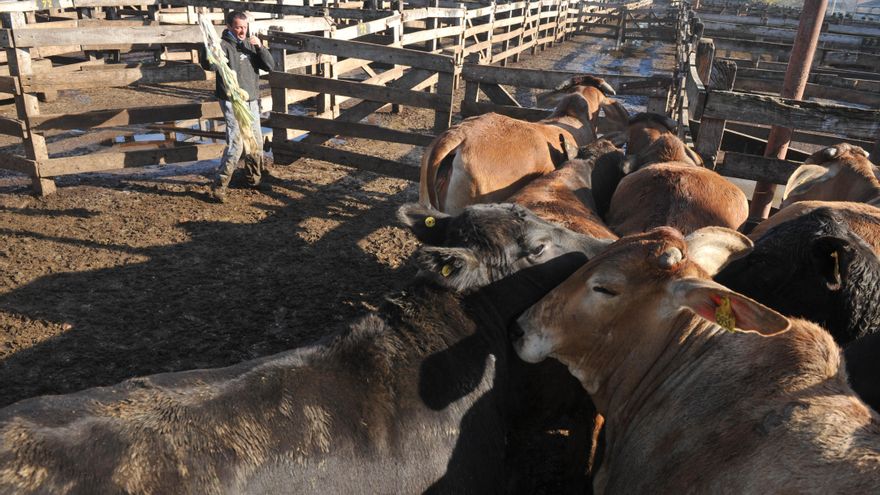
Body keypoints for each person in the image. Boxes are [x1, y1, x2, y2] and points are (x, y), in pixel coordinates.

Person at [210, 10, 276, 203]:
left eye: (244, 27)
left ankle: (253, 179)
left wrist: (261, 48)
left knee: (255, 140)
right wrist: (209, 51)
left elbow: (270, 66)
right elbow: (210, 65)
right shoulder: (222, 46)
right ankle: (219, 186)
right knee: (236, 144)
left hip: (252, 99)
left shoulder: (250, 44)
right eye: (238, 27)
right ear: (229, 27)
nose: (242, 31)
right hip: (232, 100)